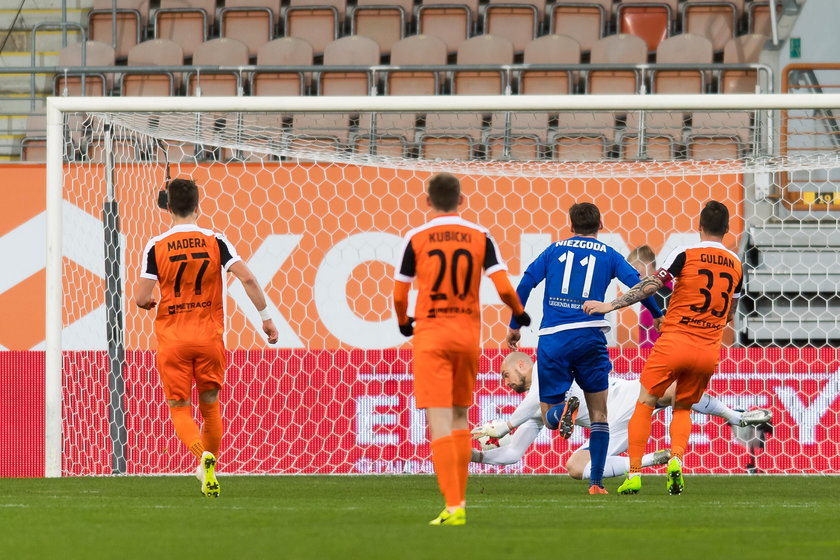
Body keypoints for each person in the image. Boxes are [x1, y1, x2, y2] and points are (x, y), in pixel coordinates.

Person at [393, 173, 530, 526]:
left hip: (431, 336)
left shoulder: (416, 237)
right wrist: (518, 311)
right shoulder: (480, 236)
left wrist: (403, 322)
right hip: (467, 336)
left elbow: (399, 293)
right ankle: (458, 504)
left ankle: (454, 506)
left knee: (439, 422)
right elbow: (502, 286)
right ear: (461, 200)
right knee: (458, 418)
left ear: (428, 201)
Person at [583, 200, 743, 495]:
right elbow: (731, 310)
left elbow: (652, 285)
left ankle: (633, 474)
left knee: (645, 402)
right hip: (708, 349)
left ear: (700, 226)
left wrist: (611, 304)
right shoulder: (735, 264)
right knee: (683, 407)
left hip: (675, 341)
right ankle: (677, 460)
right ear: (727, 229)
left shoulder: (686, 254)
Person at [135, 178, 279, 497]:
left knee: (179, 406)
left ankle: (202, 459)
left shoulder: (156, 245)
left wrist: (149, 302)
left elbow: (141, 297)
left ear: (168, 207)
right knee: (210, 404)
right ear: (198, 205)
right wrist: (266, 319)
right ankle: (209, 467)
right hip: (209, 337)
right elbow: (249, 278)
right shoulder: (217, 240)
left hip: (173, 339)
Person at [507, 202, 664, 494]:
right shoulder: (610, 255)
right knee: (599, 415)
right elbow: (640, 285)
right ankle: (596, 484)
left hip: (554, 338)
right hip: (591, 337)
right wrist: (656, 314)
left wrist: (515, 324)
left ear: (570, 225)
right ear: (600, 226)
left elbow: (526, 282)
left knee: (550, 418)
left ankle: (562, 409)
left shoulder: (554, 251)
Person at [470, 352, 772, 478]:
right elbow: (511, 454)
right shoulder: (535, 411)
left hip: (621, 397)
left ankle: (735, 417)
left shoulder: (543, 370)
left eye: (505, 373)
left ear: (522, 364)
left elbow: (537, 394)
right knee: (576, 468)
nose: (504, 382)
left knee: (668, 392)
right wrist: (473, 456)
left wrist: (506, 424)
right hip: (608, 428)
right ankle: (649, 460)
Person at [627, 245, 672, 348]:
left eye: (636, 268)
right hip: (647, 354)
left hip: (657, 354)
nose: (633, 273)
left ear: (649, 264)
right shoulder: (648, 292)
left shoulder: (662, 291)